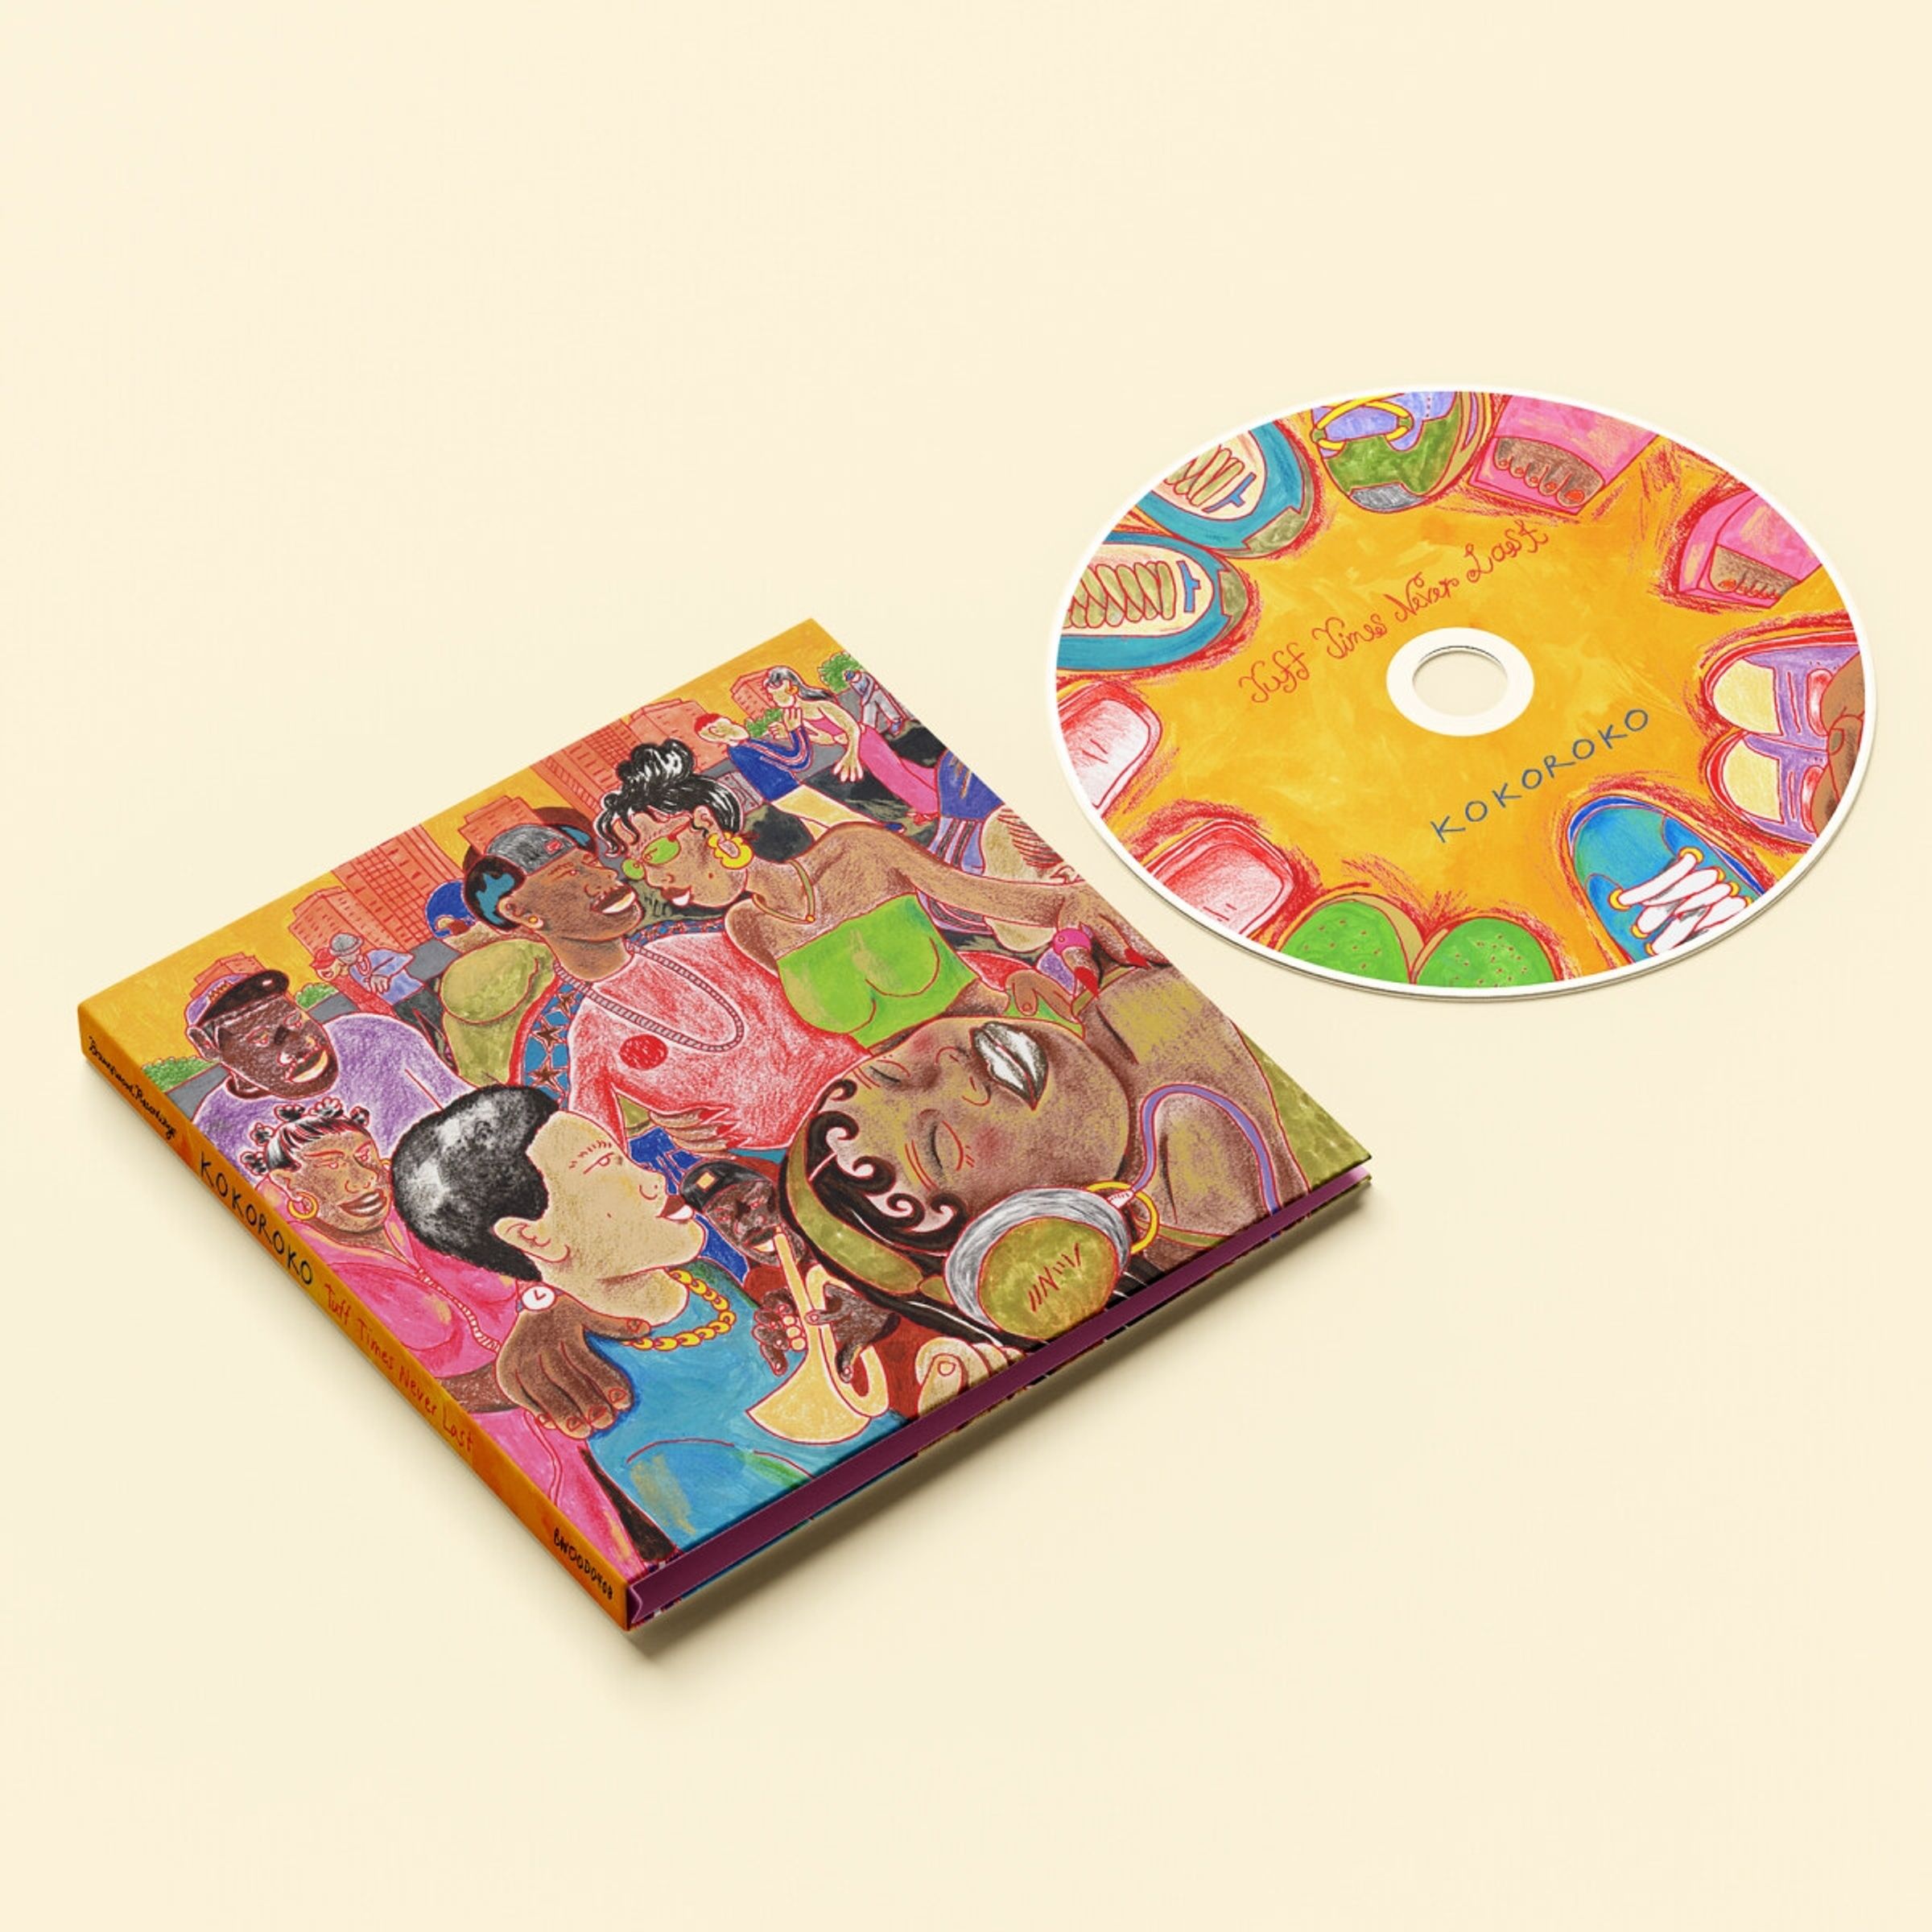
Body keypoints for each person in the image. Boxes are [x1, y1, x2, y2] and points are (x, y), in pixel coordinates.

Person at [392, 1086, 902, 1553]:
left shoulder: (701, 1277)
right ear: (535, 1236)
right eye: (604, 1167)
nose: (654, 1180)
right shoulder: (652, 1442)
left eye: (624, 1157)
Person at [782, 964, 1360, 1352]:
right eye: (940, 1146)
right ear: (1033, 1230)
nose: (955, 1070)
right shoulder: (1211, 1185)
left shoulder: (1113, 1010)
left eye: (892, 1070)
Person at [240, 1097, 663, 1567]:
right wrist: (511, 1381)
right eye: (333, 1167)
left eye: (364, 1157)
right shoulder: (299, 1273)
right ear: (292, 1186)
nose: (363, 1180)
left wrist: (545, 1309)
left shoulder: (429, 1205)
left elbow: (535, 1269)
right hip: (501, 1452)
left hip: (585, 1395)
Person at [597, 741, 1159, 1051]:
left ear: (704, 823)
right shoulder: (748, 928)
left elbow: (1010, 902)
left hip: (1016, 1039)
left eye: (656, 852)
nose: (654, 878)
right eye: (638, 868)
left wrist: (1080, 901)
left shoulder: (858, 853)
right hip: (927, 1096)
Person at [440, 820, 861, 1154]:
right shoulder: (575, 1035)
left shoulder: (704, 939)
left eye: (591, 862)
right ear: (521, 912)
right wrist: (666, 1135)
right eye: (569, 873)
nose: (604, 875)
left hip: (875, 1086)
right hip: (801, 1159)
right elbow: (592, 1157)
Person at [186, 967, 468, 1164]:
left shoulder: (372, 1034)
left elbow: (466, 1102)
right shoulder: (216, 1131)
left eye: (295, 1021)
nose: (298, 1044)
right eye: (260, 1038)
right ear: (207, 1046)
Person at [762, 664, 940, 821]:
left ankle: (930, 807)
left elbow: (852, 728)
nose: (773, 700)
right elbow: (823, 738)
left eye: (775, 695)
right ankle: (939, 787)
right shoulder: (795, 714)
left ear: (792, 689)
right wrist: (789, 734)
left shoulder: (821, 706)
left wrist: (851, 755)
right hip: (853, 746)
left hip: (865, 740)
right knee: (900, 768)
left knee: (893, 775)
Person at [691, 711, 869, 834]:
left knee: (824, 833)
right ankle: (881, 839)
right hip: (790, 793)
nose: (737, 724)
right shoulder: (747, 747)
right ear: (717, 731)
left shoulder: (738, 750)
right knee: (844, 819)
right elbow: (797, 760)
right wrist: (795, 730)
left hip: (782, 797)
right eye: (730, 723)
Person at [321, 930, 448, 1054]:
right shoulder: (353, 971)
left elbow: (405, 957)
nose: (347, 958)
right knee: (419, 1034)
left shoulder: (376, 955)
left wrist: (382, 973)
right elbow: (370, 987)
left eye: (349, 953)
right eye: (342, 956)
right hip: (397, 1004)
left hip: (416, 993)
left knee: (442, 1022)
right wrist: (372, 980)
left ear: (357, 949)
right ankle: (438, 1055)